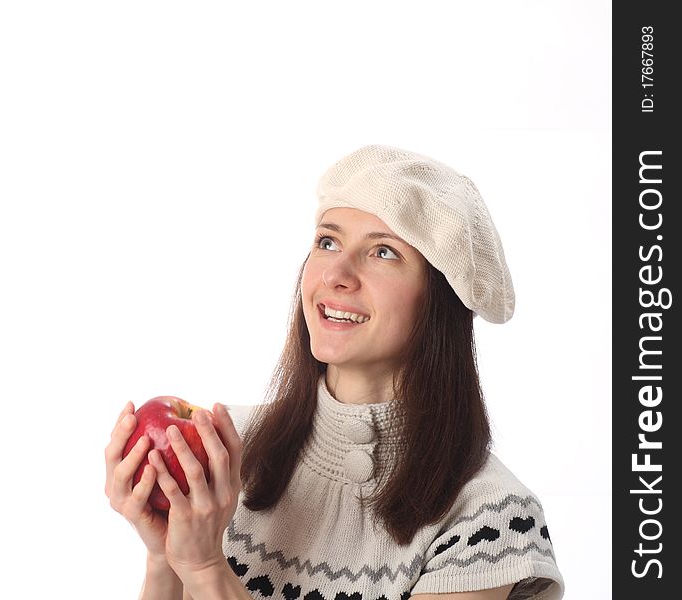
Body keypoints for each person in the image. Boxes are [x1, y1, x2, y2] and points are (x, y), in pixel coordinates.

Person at [104, 145, 565, 599]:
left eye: (383, 252)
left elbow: (204, 567)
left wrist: (205, 567)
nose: (336, 274)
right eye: (328, 242)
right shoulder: (226, 449)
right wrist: (166, 557)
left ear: (439, 300)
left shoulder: (491, 521)